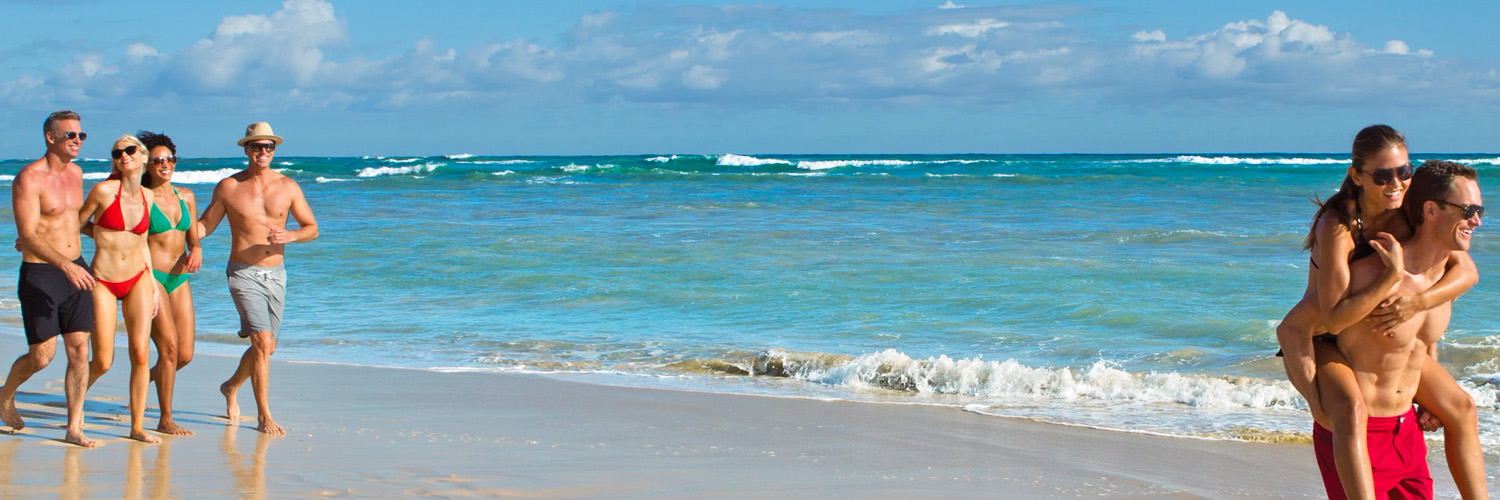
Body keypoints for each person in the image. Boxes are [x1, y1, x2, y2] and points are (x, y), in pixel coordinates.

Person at [1275, 125, 1485, 499]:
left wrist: (1420, 301)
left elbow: (1467, 271)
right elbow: (1331, 317)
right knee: (1350, 410)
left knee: (1462, 407)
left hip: (1374, 327)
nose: (1397, 183)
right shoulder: (1337, 224)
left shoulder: (1409, 215)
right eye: (1383, 176)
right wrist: (1316, 403)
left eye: (1404, 172)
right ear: (1357, 176)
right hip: (1326, 328)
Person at [195, 122, 318, 435]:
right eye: (256, 146)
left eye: (268, 147)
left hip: (276, 275)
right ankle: (264, 416)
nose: (263, 151)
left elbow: (311, 228)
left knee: (268, 348)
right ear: (245, 149)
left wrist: (290, 236)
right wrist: (173, 225)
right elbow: (204, 227)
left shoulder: (288, 186)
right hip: (243, 272)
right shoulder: (228, 187)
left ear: (274, 150)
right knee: (262, 342)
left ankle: (230, 386)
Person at [1, 111, 98, 447]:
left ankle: (74, 427)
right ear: (50, 137)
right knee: (42, 356)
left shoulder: (77, 173)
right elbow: (27, 235)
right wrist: (64, 265)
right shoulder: (28, 178)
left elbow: (74, 221)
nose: (77, 141)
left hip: (77, 268)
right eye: (71, 135)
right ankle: (5, 394)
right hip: (42, 274)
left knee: (79, 350)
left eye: (81, 136)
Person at [78, 134, 159, 444]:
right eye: (117, 152)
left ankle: (137, 426)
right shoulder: (102, 192)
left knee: (140, 353)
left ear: (142, 157)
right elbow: (75, 224)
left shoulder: (147, 197)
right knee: (104, 360)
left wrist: (151, 282)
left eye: (129, 150)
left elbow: (142, 243)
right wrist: (97, 236)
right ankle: (76, 400)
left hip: (138, 276)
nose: (123, 155)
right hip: (104, 281)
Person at [139, 130, 202, 436]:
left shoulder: (186, 195)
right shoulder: (140, 197)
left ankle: (142, 383)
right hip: (151, 280)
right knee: (170, 349)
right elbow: (98, 227)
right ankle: (165, 418)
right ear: (146, 165)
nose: (165, 164)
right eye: (158, 160)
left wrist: (198, 250)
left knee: (185, 355)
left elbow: (193, 238)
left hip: (179, 278)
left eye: (170, 159)